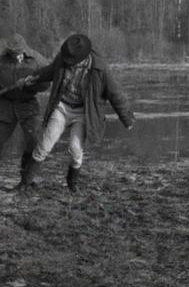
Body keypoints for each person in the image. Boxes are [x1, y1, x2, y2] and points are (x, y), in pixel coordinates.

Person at [20, 33, 134, 191]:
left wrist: (127, 119)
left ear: (82, 57)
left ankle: (72, 183)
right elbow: (49, 71)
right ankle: (24, 184)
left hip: (83, 112)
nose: (69, 63)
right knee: (44, 145)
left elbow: (115, 93)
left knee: (75, 149)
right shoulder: (63, 58)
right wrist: (34, 77)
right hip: (62, 107)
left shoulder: (100, 68)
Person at [0, 33, 50, 188]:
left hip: (28, 105)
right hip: (5, 106)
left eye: (18, 51)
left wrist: (31, 84)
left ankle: (26, 179)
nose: (15, 54)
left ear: (23, 48)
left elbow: (46, 84)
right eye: (12, 51)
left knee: (32, 143)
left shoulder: (37, 60)